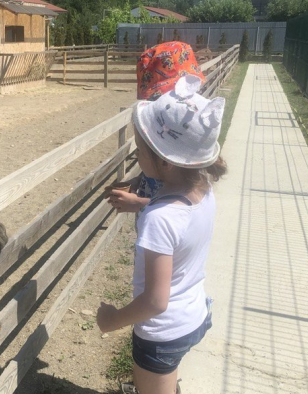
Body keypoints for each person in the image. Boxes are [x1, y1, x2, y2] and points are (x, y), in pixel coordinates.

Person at [97, 75, 227, 394]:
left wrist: (114, 319)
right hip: (194, 316)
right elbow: (178, 225)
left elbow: (156, 301)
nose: (137, 156)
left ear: (166, 163)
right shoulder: (203, 192)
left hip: (161, 334)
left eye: (141, 150)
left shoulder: (159, 219)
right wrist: (141, 203)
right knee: (167, 375)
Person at [113, 42, 206, 214]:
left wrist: (140, 203)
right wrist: (139, 181)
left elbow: (188, 202)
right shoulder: (169, 126)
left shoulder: (191, 138)